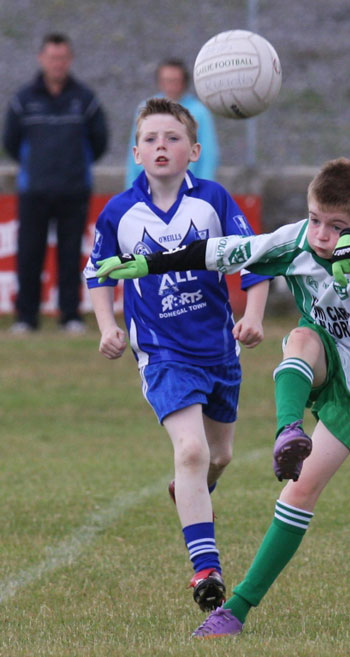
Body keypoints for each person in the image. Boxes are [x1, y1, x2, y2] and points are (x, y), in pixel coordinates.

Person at [94, 157, 350, 637]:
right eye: (315, 220)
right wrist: (150, 263)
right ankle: (288, 430)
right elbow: (223, 251)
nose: (322, 235)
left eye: (336, 227)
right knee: (301, 339)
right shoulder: (299, 240)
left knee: (301, 491)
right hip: (322, 358)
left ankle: (235, 610)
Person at [84, 98, 270, 612]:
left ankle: (188, 491)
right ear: (136, 152)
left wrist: (252, 315)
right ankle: (206, 570)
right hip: (162, 354)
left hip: (218, 350)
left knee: (219, 456)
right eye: (150, 139)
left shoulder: (212, 200)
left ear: (195, 150)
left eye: (171, 138)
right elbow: (98, 273)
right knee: (190, 452)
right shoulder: (120, 212)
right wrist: (107, 325)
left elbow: (254, 259)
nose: (160, 146)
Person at [2, 32, 108, 334]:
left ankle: (70, 316)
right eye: (52, 58)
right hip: (34, 190)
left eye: (62, 58)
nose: (57, 63)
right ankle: (26, 318)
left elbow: (99, 143)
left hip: (74, 191)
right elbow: (10, 142)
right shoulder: (23, 100)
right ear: (41, 59)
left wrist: (74, 168)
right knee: (29, 254)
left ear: (69, 60)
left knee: (71, 254)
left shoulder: (85, 100)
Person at [125, 58, 219, 188]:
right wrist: (132, 189)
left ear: (184, 82)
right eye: (166, 81)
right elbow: (134, 151)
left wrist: (204, 190)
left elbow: (208, 154)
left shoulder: (199, 111)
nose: (170, 86)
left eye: (175, 81)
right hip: (152, 188)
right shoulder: (145, 108)